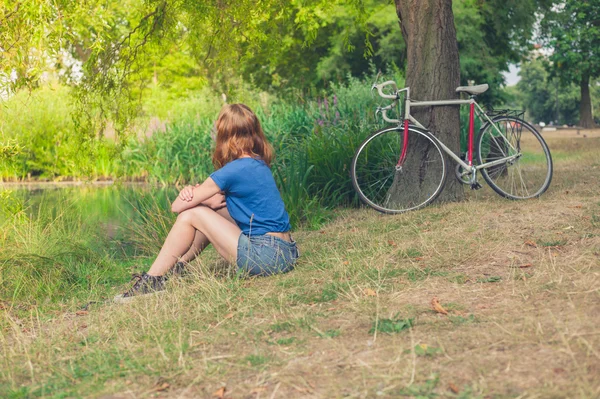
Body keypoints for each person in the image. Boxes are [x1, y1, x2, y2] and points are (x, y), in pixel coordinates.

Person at [114, 103, 298, 302]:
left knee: (192, 214)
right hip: (286, 252)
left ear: (225, 135)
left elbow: (177, 207)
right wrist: (207, 200)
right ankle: (175, 269)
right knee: (213, 211)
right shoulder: (258, 163)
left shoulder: (232, 170)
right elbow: (220, 204)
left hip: (266, 257)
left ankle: (152, 281)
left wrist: (190, 192)